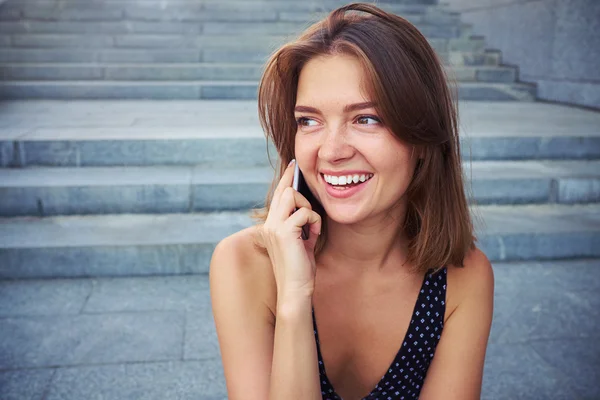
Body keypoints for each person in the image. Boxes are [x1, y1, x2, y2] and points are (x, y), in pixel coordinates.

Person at [209, 3, 494, 399]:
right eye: (309, 120)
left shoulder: (463, 277)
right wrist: (294, 298)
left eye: (366, 118)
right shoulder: (243, 264)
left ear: (424, 141)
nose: (331, 150)